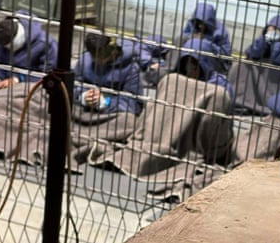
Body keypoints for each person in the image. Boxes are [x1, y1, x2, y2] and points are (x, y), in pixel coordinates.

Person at [87, 36, 235, 178]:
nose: (190, 70)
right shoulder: (173, 80)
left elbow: (221, 126)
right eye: (186, 63)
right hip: (164, 135)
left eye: (195, 65)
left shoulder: (220, 88)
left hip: (195, 141)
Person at [228, 15, 280, 115]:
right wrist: (264, 41)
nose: (272, 31)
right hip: (261, 77)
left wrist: (277, 43)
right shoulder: (264, 38)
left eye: (276, 29)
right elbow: (251, 53)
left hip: (278, 79)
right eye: (269, 28)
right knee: (242, 65)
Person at [73, 32, 144, 115]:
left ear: (113, 52)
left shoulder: (131, 68)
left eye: (101, 59)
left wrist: (106, 102)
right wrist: (83, 96)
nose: (98, 62)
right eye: (94, 58)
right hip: (86, 110)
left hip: (113, 113)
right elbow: (72, 87)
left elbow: (134, 104)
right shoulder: (84, 60)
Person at [0, 10, 58, 91]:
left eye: (12, 46)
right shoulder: (1, 35)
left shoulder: (47, 44)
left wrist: (19, 79)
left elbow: (48, 77)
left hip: (30, 86)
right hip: (4, 82)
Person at [181, 2, 232, 73]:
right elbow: (183, 37)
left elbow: (225, 55)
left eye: (203, 23)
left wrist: (205, 43)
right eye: (198, 23)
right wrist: (191, 38)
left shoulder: (221, 31)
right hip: (191, 57)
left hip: (212, 63)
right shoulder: (191, 24)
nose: (200, 26)